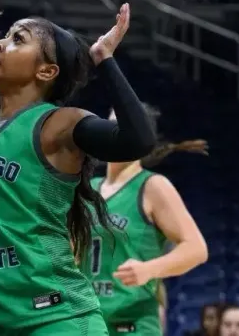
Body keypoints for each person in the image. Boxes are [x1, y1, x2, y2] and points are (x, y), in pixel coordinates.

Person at [0, 6, 156, 336]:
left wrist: (104, 58)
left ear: (46, 72)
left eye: (17, 39)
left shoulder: (58, 124)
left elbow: (138, 140)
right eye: (3, 36)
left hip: (52, 316)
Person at [89, 106, 209, 336]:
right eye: (110, 124)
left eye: (122, 126)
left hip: (132, 326)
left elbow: (197, 249)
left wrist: (149, 269)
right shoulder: (88, 189)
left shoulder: (153, 186)